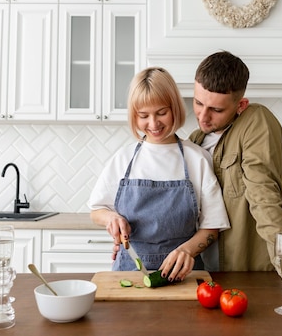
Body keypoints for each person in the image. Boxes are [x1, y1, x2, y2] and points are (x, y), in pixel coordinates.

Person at [188, 51, 282, 305]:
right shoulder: (196, 139)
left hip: (246, 275)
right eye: (198, 103)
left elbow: (264, 200)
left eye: (216, 109)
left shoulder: (255, 122)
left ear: (241, 105)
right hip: (204, 277)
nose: (203, 117)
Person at [88, 67, 230, 282]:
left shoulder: (197, 159)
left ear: (175, 108)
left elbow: (211, 228)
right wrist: (111, 217)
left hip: (186, 275)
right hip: (128, 271)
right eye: (143, 116)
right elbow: (96, 210)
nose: (153, 124)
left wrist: (187, 251)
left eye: (162, 113)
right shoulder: (123, 158)